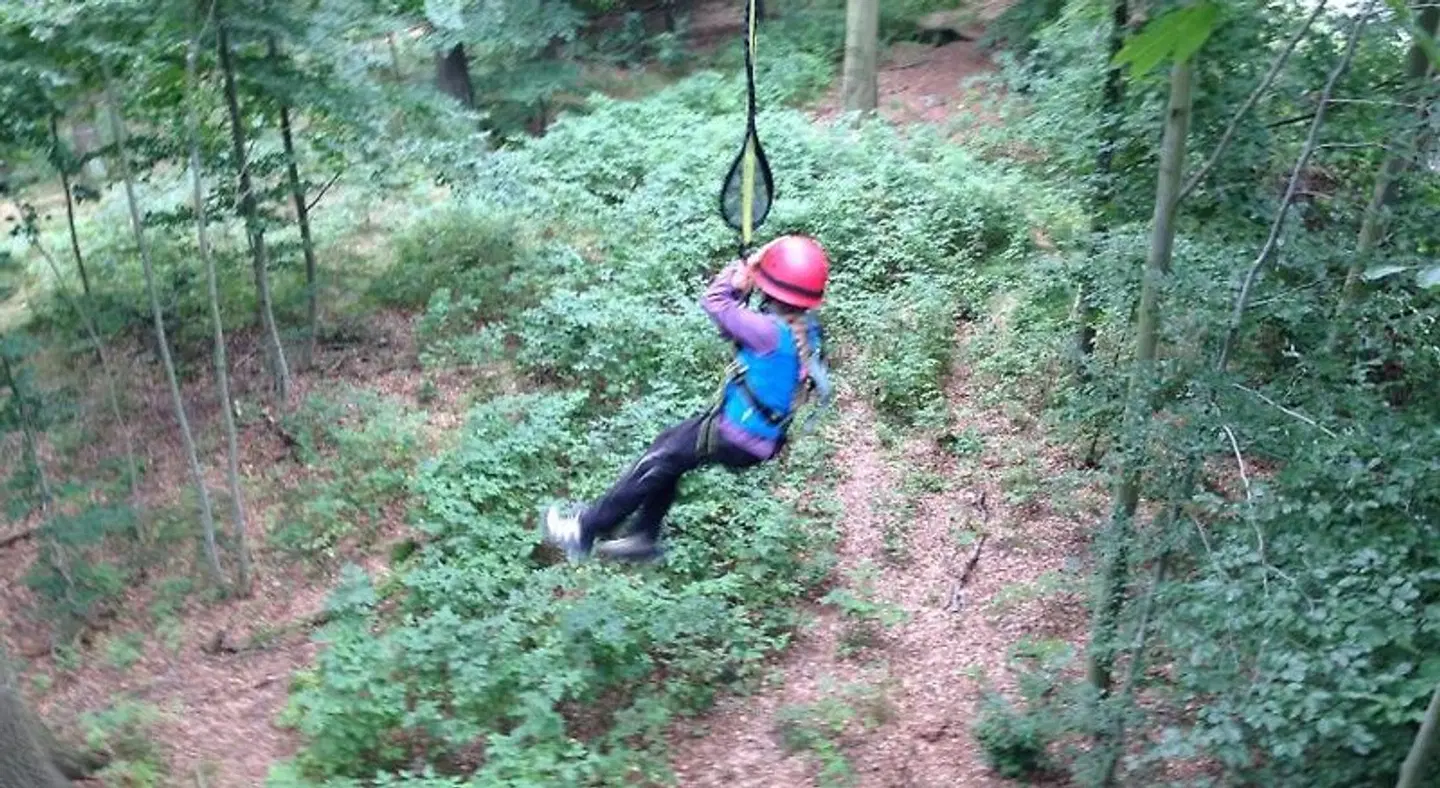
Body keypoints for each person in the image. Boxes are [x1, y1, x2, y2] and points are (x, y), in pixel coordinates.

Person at [542, 234, 832, 563]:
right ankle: (643, 535)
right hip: (763, 439)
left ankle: (584, 529)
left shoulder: (768, 333)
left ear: (771, 286)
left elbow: (715, 302)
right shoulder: (808, 330)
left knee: (657, 460)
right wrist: (750, 283)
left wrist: (742, 273)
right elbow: (744, 334)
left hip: (736, 434)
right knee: (669, 452)